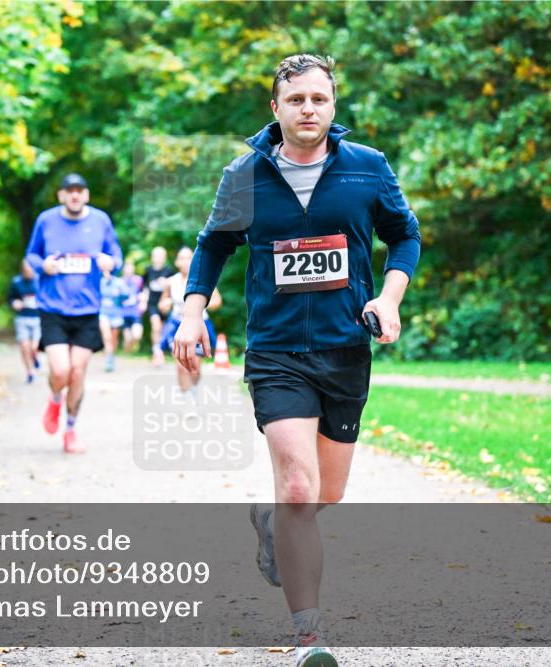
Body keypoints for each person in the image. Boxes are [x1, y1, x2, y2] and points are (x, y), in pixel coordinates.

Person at [173, 54, 421, 667]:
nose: (308, 109)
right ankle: (310, 635)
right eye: (296, 100)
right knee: (300, 484)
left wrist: (387, 298)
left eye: (319, 99)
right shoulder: (245, 175)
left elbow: (405, 235)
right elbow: (213, 246)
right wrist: (192, 312)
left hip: (344, 349)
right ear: (276, 108)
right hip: (277, 352)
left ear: (332, 106)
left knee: (324, 494)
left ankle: (271, 521)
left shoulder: (367, 169)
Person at [25, 173, 124, 454]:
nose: (75, 195)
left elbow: (116, 255)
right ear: (61, 196)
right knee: (61, 370)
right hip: (53, 307)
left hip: (87, 309)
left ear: (87, 195)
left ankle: (70, 429)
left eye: (79, 190)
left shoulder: (101, 221)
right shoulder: (46, 220)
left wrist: (111, 262)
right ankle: (56, 398)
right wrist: (43, 265)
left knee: (78, 371)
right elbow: (31, 255)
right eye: (69, 191)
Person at [159, 246, 221, 409]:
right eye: (182, 258)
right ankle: (187, 398)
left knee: (195, 365)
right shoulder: (170, 282)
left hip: (199, 326)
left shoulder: (202, 279)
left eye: (189, 257)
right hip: (177, 326)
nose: (186, 261)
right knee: (181, 365)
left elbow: (217, 300)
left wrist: (200, 306)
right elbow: (162, 303)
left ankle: (193, 389)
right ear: (177, 262)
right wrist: (165, 304)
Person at [7, 261, 40, 383]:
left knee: (34, 347)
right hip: (22, 318)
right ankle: (30, 371)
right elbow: (10, 298)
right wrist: (14, 303)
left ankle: (35, 357)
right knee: (24, 346)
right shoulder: (16, 282)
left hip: (38, 318)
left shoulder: (39, 280)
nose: (28, 273)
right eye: (26, 271)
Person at [142, 246, 175, 367]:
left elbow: (174, 289)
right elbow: (144, 288)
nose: (158, 258)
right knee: (155, 326)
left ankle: (161, 351)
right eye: (156, 255)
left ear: (164, 257)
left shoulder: (169, 271)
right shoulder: (148, 270)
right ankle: (156, 353)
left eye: (161, 256)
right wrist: (143, 302)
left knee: (163, 330)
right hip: (152, 304)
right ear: (152, 257)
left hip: (164, 304)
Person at [99, 266, 131, 372]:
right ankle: (108, 359)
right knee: (106, 336)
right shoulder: (100, 281)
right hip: (103, 312)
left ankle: (111, 357)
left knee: (113, 338)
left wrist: (120, 295)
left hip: (116, 313)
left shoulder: (119, 282)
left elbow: (127, 296)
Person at [119, 260, 145, 354]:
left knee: (137, 335)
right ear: (123, 270)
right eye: (127, 268)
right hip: (123, 313)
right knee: (127, 339)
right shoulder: (120, 281)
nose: (129, 270)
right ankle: (127, 355)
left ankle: (134, 346)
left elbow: (143, 292)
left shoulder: (138, 280)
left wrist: (143, 302)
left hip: (135, 312)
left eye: (131, 268)